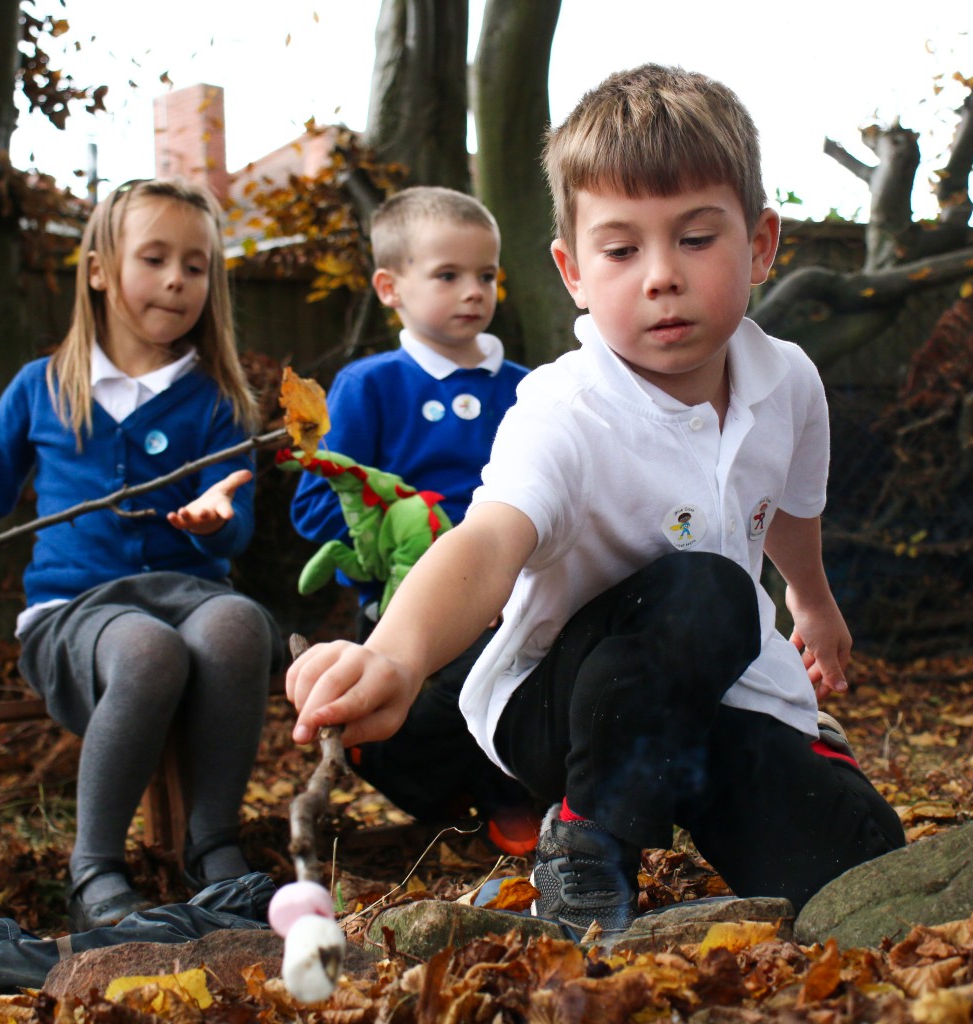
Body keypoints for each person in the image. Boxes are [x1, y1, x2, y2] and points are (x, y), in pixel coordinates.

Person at [285, 65, 906, 936]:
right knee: (708, 591)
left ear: (761, 245)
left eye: (696, 239)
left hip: (718, 692)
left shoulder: (789, 382)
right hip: (561, 706)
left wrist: (811, 601)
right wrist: (394, 655)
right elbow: (488, 543)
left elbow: (791, 510)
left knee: (863, 862)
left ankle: (715, 790)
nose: (661, 276)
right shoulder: (566, 408)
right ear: (573, 270)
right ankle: (585, 838)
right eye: (622, 250)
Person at [0, 178, 284, 931]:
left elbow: (237, 526)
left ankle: (215, 851)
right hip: (75, 616)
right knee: (147, 649)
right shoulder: (45, 387)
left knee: (238, 625)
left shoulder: (218, 398)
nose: (175, 280)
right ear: (99, 268)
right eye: (154, 258)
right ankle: (94, 868)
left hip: (188, 593)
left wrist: (215, 521)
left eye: (196, 266)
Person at [287, 185, 539, 854]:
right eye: (448, 275)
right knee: (424, 712)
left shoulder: (526, 388)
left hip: (518, 595)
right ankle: (435, 781)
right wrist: (408, 534)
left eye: (486, 274)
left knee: (528, 665)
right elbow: (319, 501)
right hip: (408, 605)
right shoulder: (369, 386)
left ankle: (516, 797)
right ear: (390, 287)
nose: (474, 291)